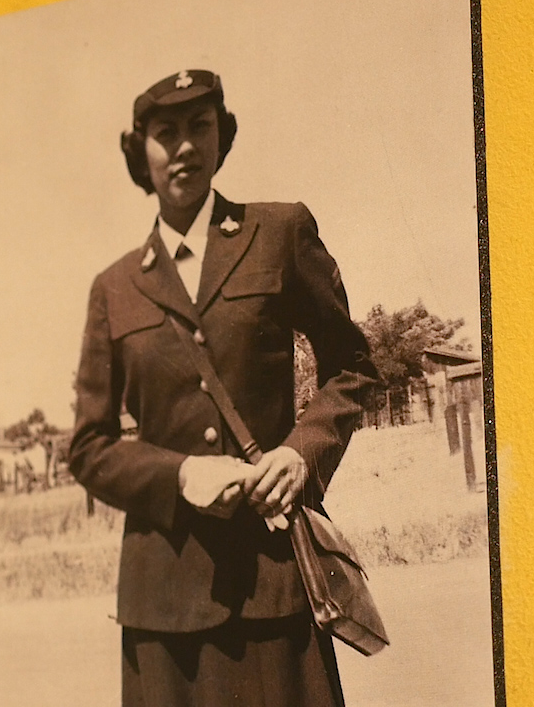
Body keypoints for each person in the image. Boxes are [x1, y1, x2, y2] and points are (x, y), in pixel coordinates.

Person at [68, 70, 378, 707]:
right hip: (163, 601)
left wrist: (302, 452)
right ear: (141, 152)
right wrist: (180, 475)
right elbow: (90, 447)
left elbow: (351, 363)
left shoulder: (279, 231)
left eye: (199, 127)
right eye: (165, 132)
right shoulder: (115, 287)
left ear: (221, 137)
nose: (183, 146)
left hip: (274, 580)